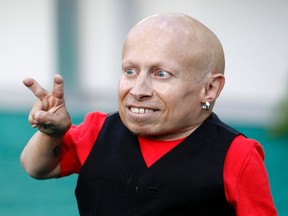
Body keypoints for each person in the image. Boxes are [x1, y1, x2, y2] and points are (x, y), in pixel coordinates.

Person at [20, 12, 277, 215]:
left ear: (209, 88)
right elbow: (37, 168)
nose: (138, 89)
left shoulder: (236, 155)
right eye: (130, 71)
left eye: (160, 74)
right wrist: (52, 134)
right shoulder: (98, 131)